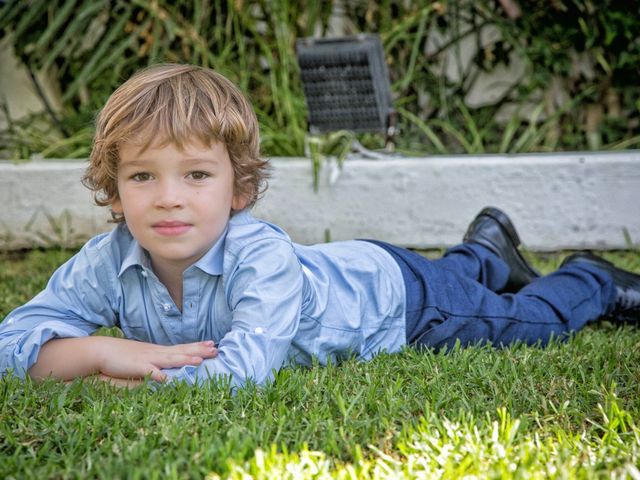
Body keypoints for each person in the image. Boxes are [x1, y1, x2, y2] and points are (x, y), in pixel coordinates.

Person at [1, 64, 638, 389]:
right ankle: (484, 252)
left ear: (240, 189)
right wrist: (106, 352)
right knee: (459, 276)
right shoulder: (107, 260)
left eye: (196, 176)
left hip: (401, 304)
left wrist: (136, 384)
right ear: (114, 188)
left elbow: (246, 374)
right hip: (362, 268)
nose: (168, 200)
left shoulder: (259, 255)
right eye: (143, 178)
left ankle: (591, 277)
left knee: (529, 324)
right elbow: (10, 345)